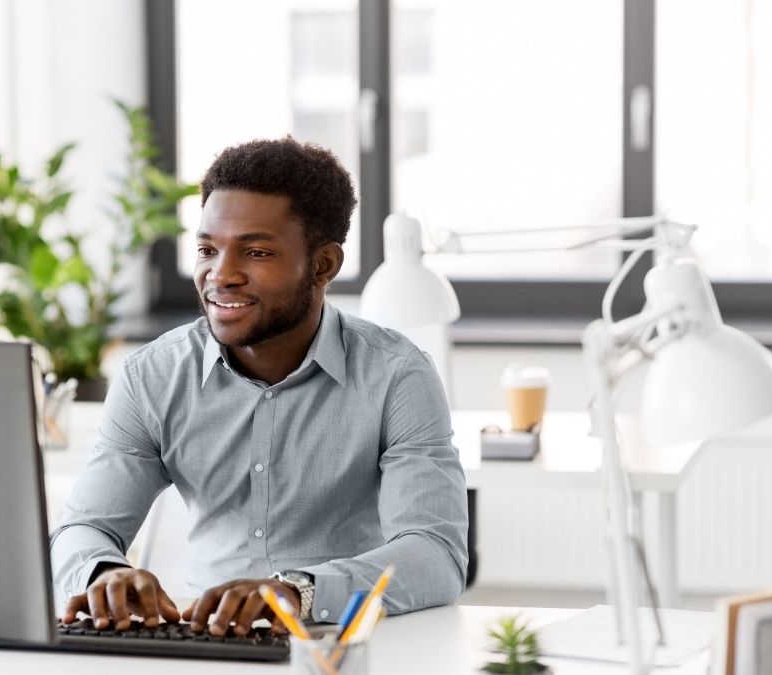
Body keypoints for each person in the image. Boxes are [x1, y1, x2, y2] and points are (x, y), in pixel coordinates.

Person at [51, 136, 467, 638]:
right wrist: (103, 573)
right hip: (203, 643)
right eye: (207, 249)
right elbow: (82, 528)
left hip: (346, 644)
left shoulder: (397, 375)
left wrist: (297, 591)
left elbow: (435, 553)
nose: (220, 275)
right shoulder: (153, 376)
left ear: (323, 265)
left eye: (255, 251)